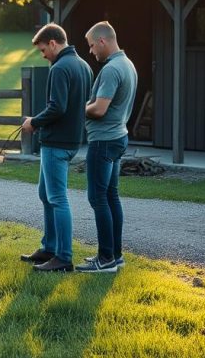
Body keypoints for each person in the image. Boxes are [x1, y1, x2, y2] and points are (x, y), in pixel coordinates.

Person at [20, 23, 92, 272]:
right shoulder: (83, 65)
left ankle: (63, 257)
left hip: (56, 143)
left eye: (42, 50)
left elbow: (58, 107)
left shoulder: (60, 67)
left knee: (57, 198)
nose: (43, 55)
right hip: (72, 140)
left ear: (53, 43)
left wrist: (34, 122)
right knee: (45, 194)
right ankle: (49, 247)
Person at [76, 21, 137, 273]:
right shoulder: (128, 64)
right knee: (111, 196)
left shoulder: (112, 69)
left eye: (91, 46)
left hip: (104, 141)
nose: (91, 51)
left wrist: (77, 111)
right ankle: (115, 255)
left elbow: (99, 109)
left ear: (103, 41)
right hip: (118, 137)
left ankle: (106, 259)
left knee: (97, 198)